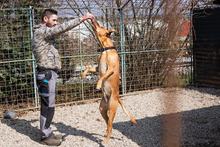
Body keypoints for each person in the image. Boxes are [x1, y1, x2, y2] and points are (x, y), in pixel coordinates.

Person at [32, 9, 95, 146]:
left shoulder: (45, 32)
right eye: (53, 20)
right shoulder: (42, 31)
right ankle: (45, 136)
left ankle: (47, 131)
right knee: (48, 106)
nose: (56, 23)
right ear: (45, 19)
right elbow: (63, 28)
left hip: (49, 73)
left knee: (50, 104)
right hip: (46, 74)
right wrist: (83, 18)